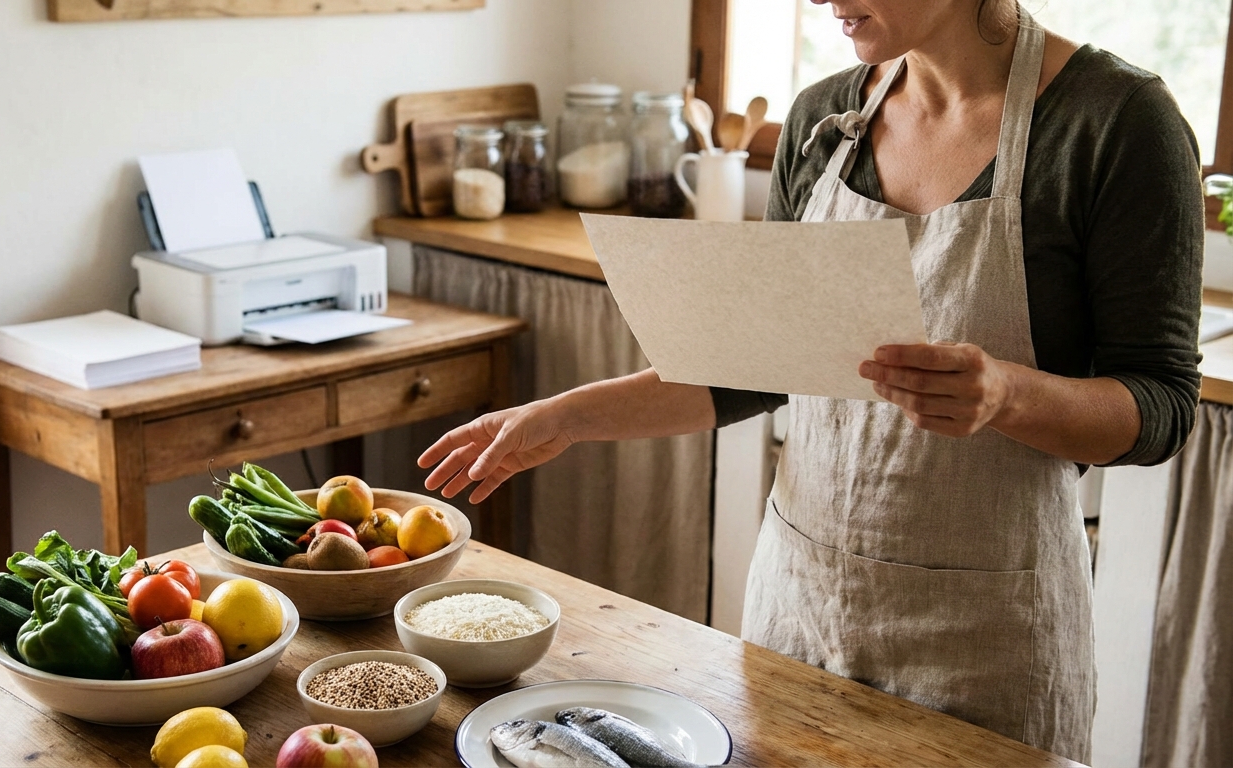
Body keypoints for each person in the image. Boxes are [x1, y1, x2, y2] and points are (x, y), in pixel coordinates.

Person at [417, 0, 1204, 761]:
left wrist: (1008, 395)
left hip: (988, 638)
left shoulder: (1117, 123)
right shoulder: (823, 119)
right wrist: (564, 417)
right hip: (801, 610)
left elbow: (1163, 407)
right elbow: (760, 367)